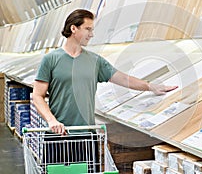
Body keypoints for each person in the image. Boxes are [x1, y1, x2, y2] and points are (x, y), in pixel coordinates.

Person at [32, 9, 178, 171]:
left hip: (86, 136)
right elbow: (38, 96)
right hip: (58, 135)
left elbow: (123, 79)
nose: (91, 34)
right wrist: (52, 120)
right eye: (88, 29)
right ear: (74, 29)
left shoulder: (95, 61)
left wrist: (151, 86)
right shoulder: (51, 59)